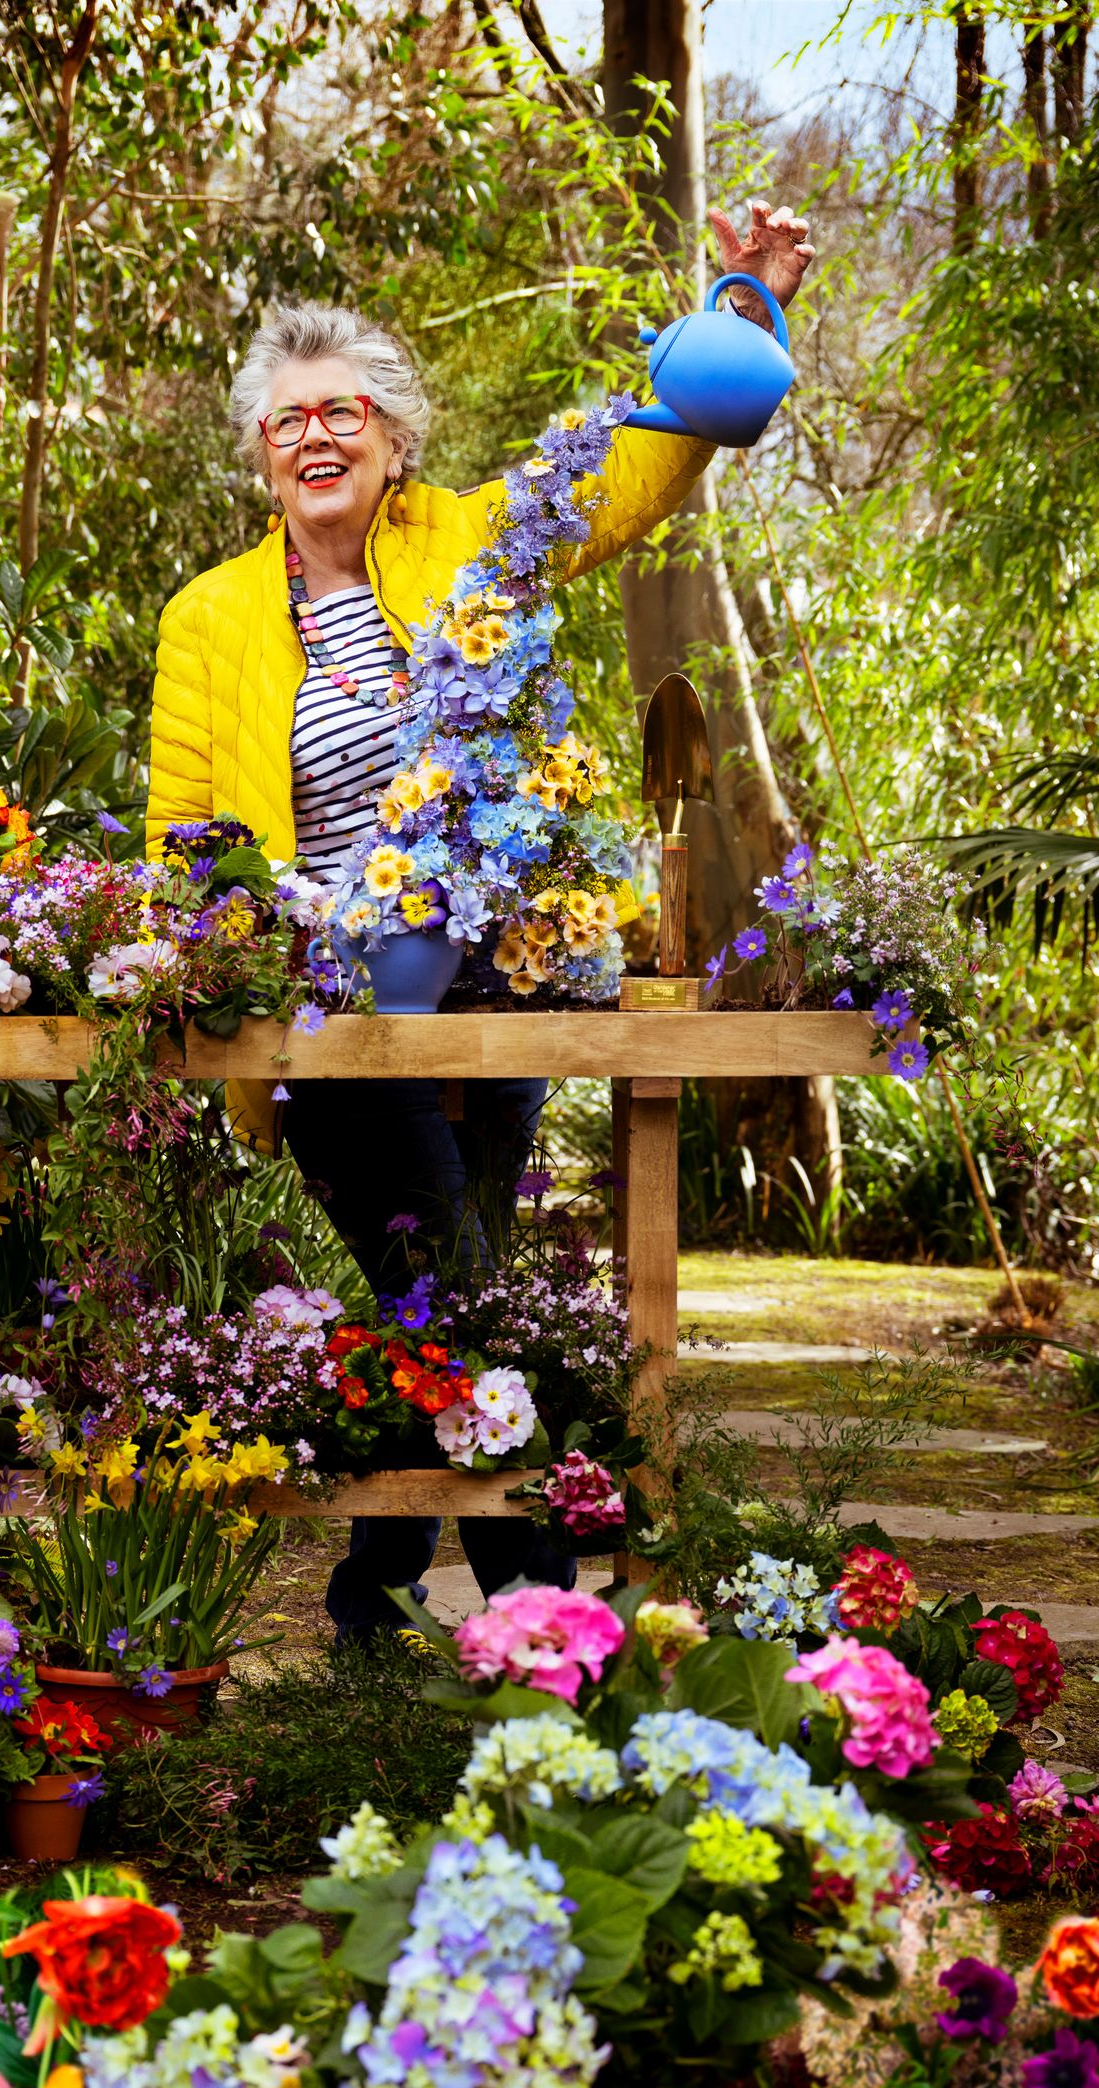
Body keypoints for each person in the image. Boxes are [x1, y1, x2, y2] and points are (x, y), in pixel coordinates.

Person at [147, 204, 814, 1643]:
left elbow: (625, 479)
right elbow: (184, 835)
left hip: (500, 987)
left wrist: (742, 304)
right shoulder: (207, 620)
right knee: (446, 1273)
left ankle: (372, 1588)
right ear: (261, 458)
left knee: (447, 1288)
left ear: (395, 441)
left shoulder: (466, 540)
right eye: (286, 423)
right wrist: (239, 937)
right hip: (329, 1005)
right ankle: (537, 1610)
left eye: (345, 412)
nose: (315, 436)